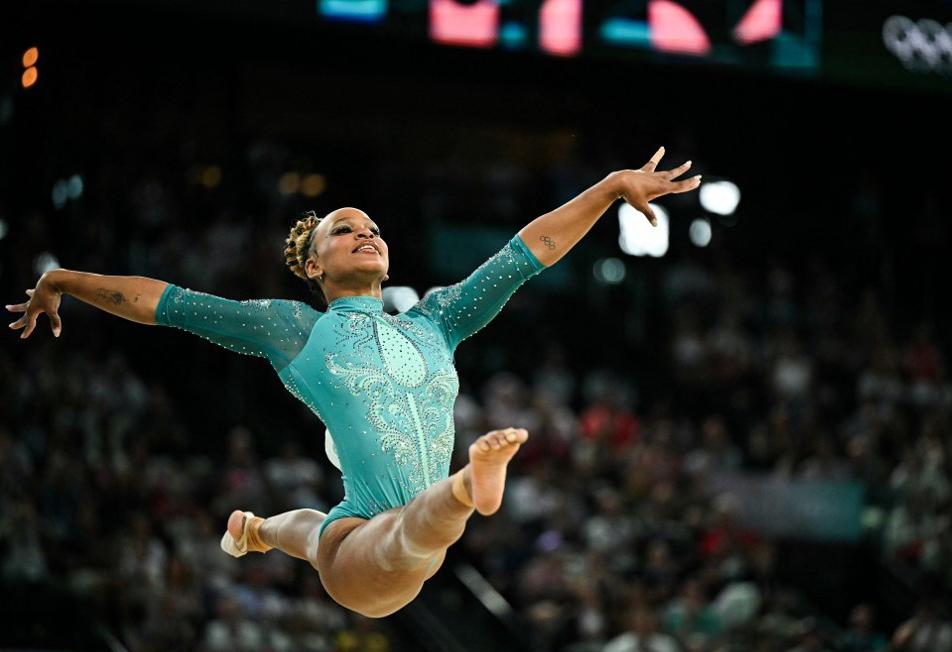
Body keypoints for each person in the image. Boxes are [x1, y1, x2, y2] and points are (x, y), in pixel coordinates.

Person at [7, 147, 700, 617]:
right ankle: (467, 487)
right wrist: (64, 280)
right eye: (344, 232)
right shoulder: (296, 330)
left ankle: (255, 530)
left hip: (357, 534)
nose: (366, 234)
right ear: (312, 266)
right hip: (370, 557)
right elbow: (169, 303)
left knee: (316, 534)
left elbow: (526, 254)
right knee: (404, 534)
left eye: (371, 228)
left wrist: (609, 188)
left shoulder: (435, 320)